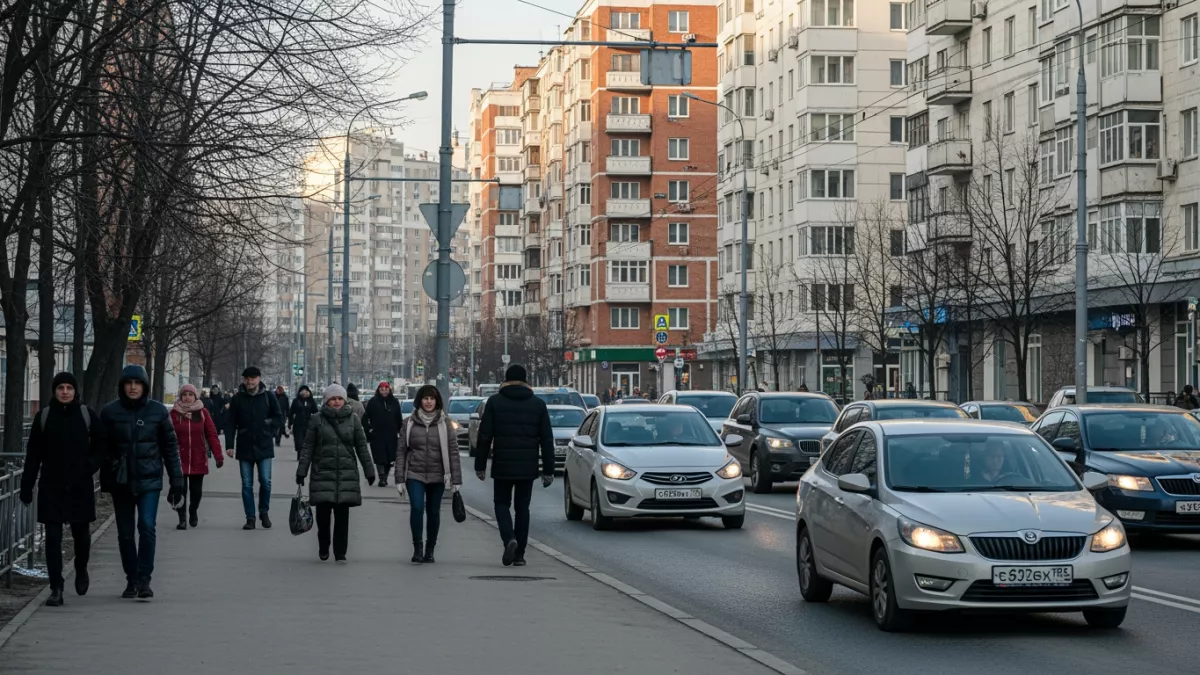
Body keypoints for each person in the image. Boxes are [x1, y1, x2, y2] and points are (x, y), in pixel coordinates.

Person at [19, 372, 105, 607]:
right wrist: (26, 485)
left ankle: (81, 568)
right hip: (52, 485)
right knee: (53, 539)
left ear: (75, 391)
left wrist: (90, 465)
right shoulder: (45, 417)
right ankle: (56, 587)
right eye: (60, 388)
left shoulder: (87, 415)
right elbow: (33, 454)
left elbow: (101, 446)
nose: (65, 392)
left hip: (80, 485)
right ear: (54, 391)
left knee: (82, 537)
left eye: (69, 388)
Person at [99, 365, 184, 600]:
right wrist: (104, 476)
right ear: (122, 386)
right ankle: (131, 578)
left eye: (137, 383)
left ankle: (145, 578)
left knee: (146, 526)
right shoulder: (110, 412)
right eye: (129, 383)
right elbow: (101, 449)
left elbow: (170, 448)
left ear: (144, 386)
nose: (133, 387)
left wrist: (177, 480)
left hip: (149, 480)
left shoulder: (157, 412)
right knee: (125, 534)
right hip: (122, 482)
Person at [474, 364, 555, 567]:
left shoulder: (494, 402)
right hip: (527, 467)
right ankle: (519, 554)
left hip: (502, 464)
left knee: (501, 504)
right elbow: (546, 439)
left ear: (505, 379)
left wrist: (480, 465)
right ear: (526, 380)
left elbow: (484, 436)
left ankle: (509, 538)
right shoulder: (537, 404)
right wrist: (548, 470)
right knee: (522, 508)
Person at [296, 384, 376, 563]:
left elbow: (362, 447)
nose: (337, 402)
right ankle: (324, 546)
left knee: (342, 517)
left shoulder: (354, 419)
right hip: (322, 473)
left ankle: (340, 552)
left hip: (346, 474)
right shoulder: (317, 419)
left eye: (339, 398)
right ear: (327, 401)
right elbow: (308, 447)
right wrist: (301, 471)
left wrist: (370, 471)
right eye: (333, 399)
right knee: (323, 517)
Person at [395, 385, 462, 564]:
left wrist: (456, 479)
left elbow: (453, 451)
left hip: (438, 474)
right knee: (417, 508)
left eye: (432, 398)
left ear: (437, 401)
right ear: (420, 401)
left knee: (433, 512)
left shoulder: (445, 423)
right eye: (425, 398)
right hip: (414, 474)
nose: (429, 402)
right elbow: (401, 451)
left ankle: (430, 549)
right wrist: (399, 478)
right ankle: (418, 547)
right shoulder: (408, 423)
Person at [228, 366, 284, 530]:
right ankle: (250, 517)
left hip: (264, 445)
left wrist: (268, 425)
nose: (249, 381)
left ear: (259, 379)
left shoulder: (268, 397)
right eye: (246, 378)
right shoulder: (238, 398)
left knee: (265, 482)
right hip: (245, 446)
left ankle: (264, 511)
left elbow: (279, 418)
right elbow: (230, 423)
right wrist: (230, 445)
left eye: (252, 378)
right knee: (247, 484)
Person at [169, 384, 224, 530]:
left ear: (195, 397)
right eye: (184, 395)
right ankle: (182, 519)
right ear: (181, 397)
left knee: (196, 491)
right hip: (179, 458)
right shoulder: (174, 414)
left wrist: (218, 455)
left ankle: (193, 510)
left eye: (190, 395)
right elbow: (165, 436)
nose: (187, 397)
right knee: (180, 490)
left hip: (198, 457)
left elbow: (211, 434)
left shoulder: (202, 413)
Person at [363, 381, 402, 488]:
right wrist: (369, 430)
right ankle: (382, 478)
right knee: (380, 457)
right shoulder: (373, 402)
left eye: (386, 389)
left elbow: (398, 418)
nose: (384, 391)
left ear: (389, 390)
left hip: (391, 435)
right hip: (377, 435)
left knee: (389, 458)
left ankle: (384, 476)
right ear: (378, 390)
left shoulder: (394, 402)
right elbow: (365, 418)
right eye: (382, 389)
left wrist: (400, 431)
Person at [288, 385, 319, 457]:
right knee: (299, 440)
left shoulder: (311, 401)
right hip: (298, 423)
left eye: (306, 392)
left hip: (308, 423)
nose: (304, 394)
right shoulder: (296, 401)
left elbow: (316, 412)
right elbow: (291, 412)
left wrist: (317, 422)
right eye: (303, 392)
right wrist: (290, 422)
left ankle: (305, 454)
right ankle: (299, 452)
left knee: (307, 440)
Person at [205, 384, 230, 449]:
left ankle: (213, 446)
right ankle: (211, 446)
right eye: (214, 390)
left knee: (215, 433)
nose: (215, 391)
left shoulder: (220, 398)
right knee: (210, 433)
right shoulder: (209, 398)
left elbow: (225, 407)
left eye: (216, 390)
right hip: (211, 418)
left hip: (218, 418)